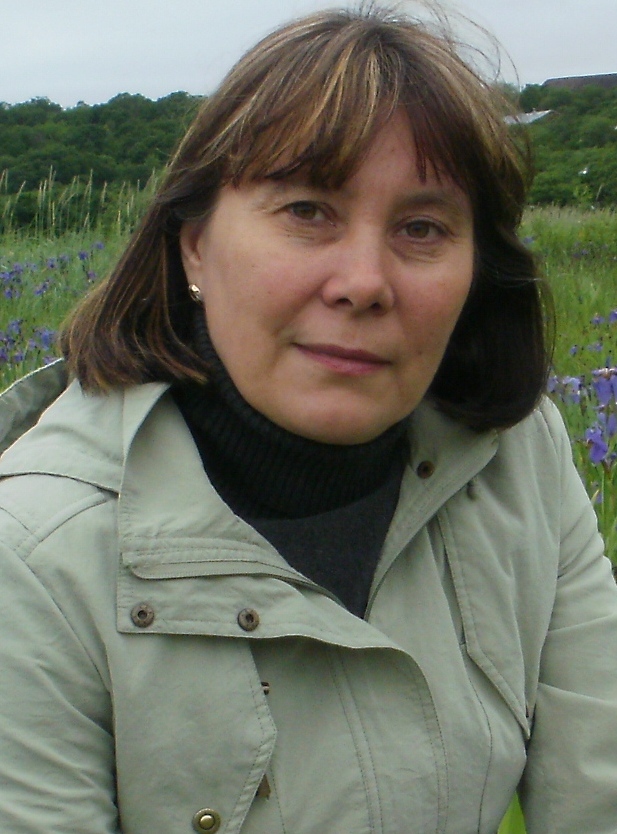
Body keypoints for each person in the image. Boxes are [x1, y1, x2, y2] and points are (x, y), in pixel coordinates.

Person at [1, 6, 616, 834]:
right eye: (306, 211)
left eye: (422, 228)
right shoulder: (33, 555)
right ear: (194, 245)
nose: (363, 282)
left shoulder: (517, 456)